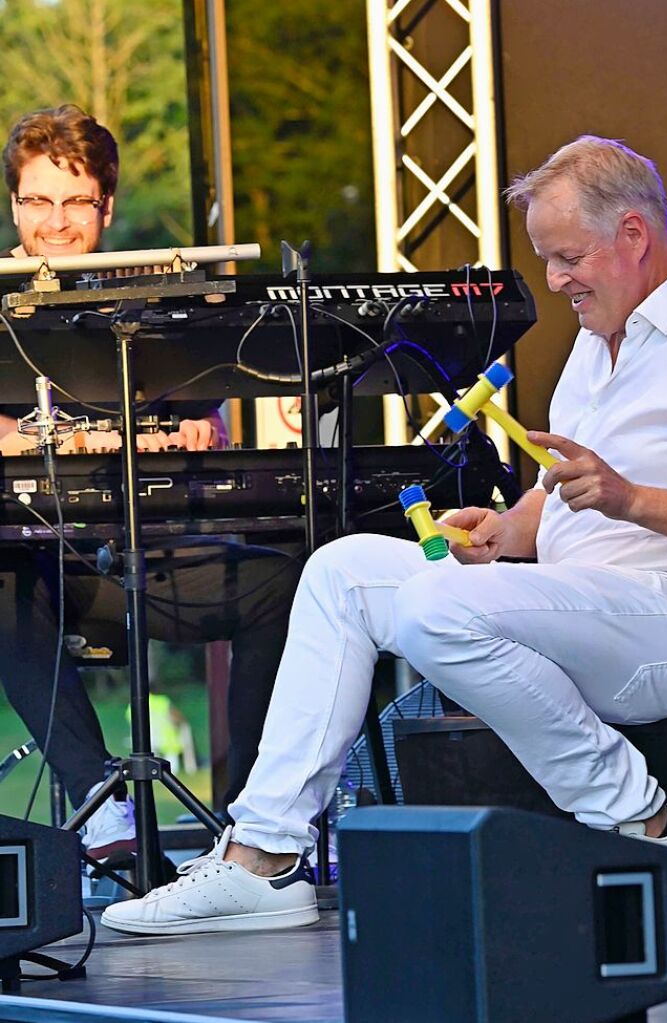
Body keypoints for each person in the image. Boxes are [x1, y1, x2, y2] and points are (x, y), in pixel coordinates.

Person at [102, 134, 667, 936]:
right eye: (546, 258)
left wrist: (626, 499)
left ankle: (642, 825)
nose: (554, 280)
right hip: (594, 607)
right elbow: (572, 495)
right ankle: (264, 859)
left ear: (633, 234)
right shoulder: (603, 336)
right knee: (342, 570)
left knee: (433, 609)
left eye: (566, 257)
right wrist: (507, 530)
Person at [0, 104, 301, 860]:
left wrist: (196, 428)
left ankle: (249, 822)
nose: (56, 222)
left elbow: (211, 423)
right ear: (14, 204)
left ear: (105, 205)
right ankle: (101, 805)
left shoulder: (151, 299)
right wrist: (85, 435)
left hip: (144, 551)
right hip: (33, 561)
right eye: (37, 200)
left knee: (293, 583)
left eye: (75, 202)